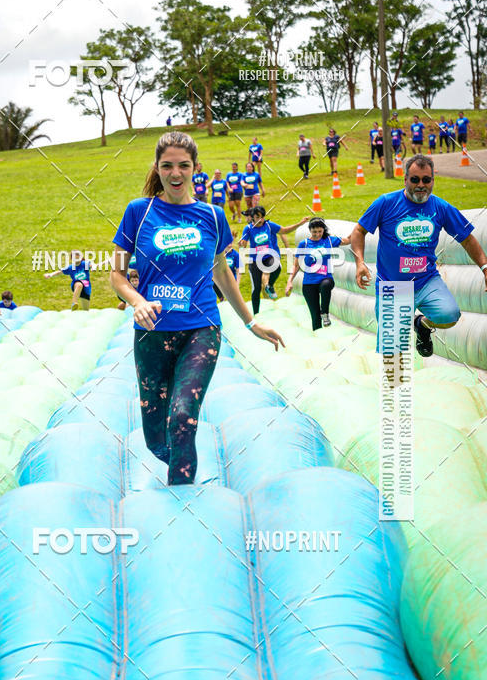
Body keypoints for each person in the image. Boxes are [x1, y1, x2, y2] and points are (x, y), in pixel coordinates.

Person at [110, 131, 284, 485]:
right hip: (152, 334)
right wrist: (137, 300)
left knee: (183, 416)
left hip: (201, 328)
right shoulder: (137, 213)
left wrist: (252, 324)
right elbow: (116, 273)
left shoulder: (213, 216)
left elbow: (222, 271)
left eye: (183, 166)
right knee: (157, 438)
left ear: (195, 169)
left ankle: (183, 503)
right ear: (157, 168)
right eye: (167, 165)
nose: (176, 173)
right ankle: (179, 465)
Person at [350, 154, 487, 358]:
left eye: (426, 179)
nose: (421, 185)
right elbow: (358, 231)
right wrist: (360, 262)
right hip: (393, 285)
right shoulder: (386, 203)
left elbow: (467, 238)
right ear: (405, 179)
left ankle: (421, 325)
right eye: (415, 179)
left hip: (426, 280)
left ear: (432, 180)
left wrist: (484, 267)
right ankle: (395, 388)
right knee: (394, 358)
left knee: (449, 315)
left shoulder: (440, 207)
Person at [285, 218, 351, 330]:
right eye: (314, 232)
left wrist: (362, 228)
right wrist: (289, 281)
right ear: (310, 230)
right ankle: (319, 338)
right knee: (315, 317)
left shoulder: (329, 240)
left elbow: (348, 240)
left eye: (320, 232)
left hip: (325, 278)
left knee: (326, 285)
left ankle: (325, 313)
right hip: (309, 283)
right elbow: (296, 265)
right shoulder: (304, 244)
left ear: (323, 230)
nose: (317, 234)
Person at [239, 206, 307, 312]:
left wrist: (299, 224)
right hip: (255, 260)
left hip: (269, 256)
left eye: (262, 217)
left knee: (277, 266)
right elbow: (243, 243)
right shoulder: (248, 229)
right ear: (252, 218)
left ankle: (269, 285)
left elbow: (284, 230)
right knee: (256, 289)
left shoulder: (269, 225)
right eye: (258, 217)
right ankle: (255, 314)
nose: (261, 220)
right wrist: (242, 244)